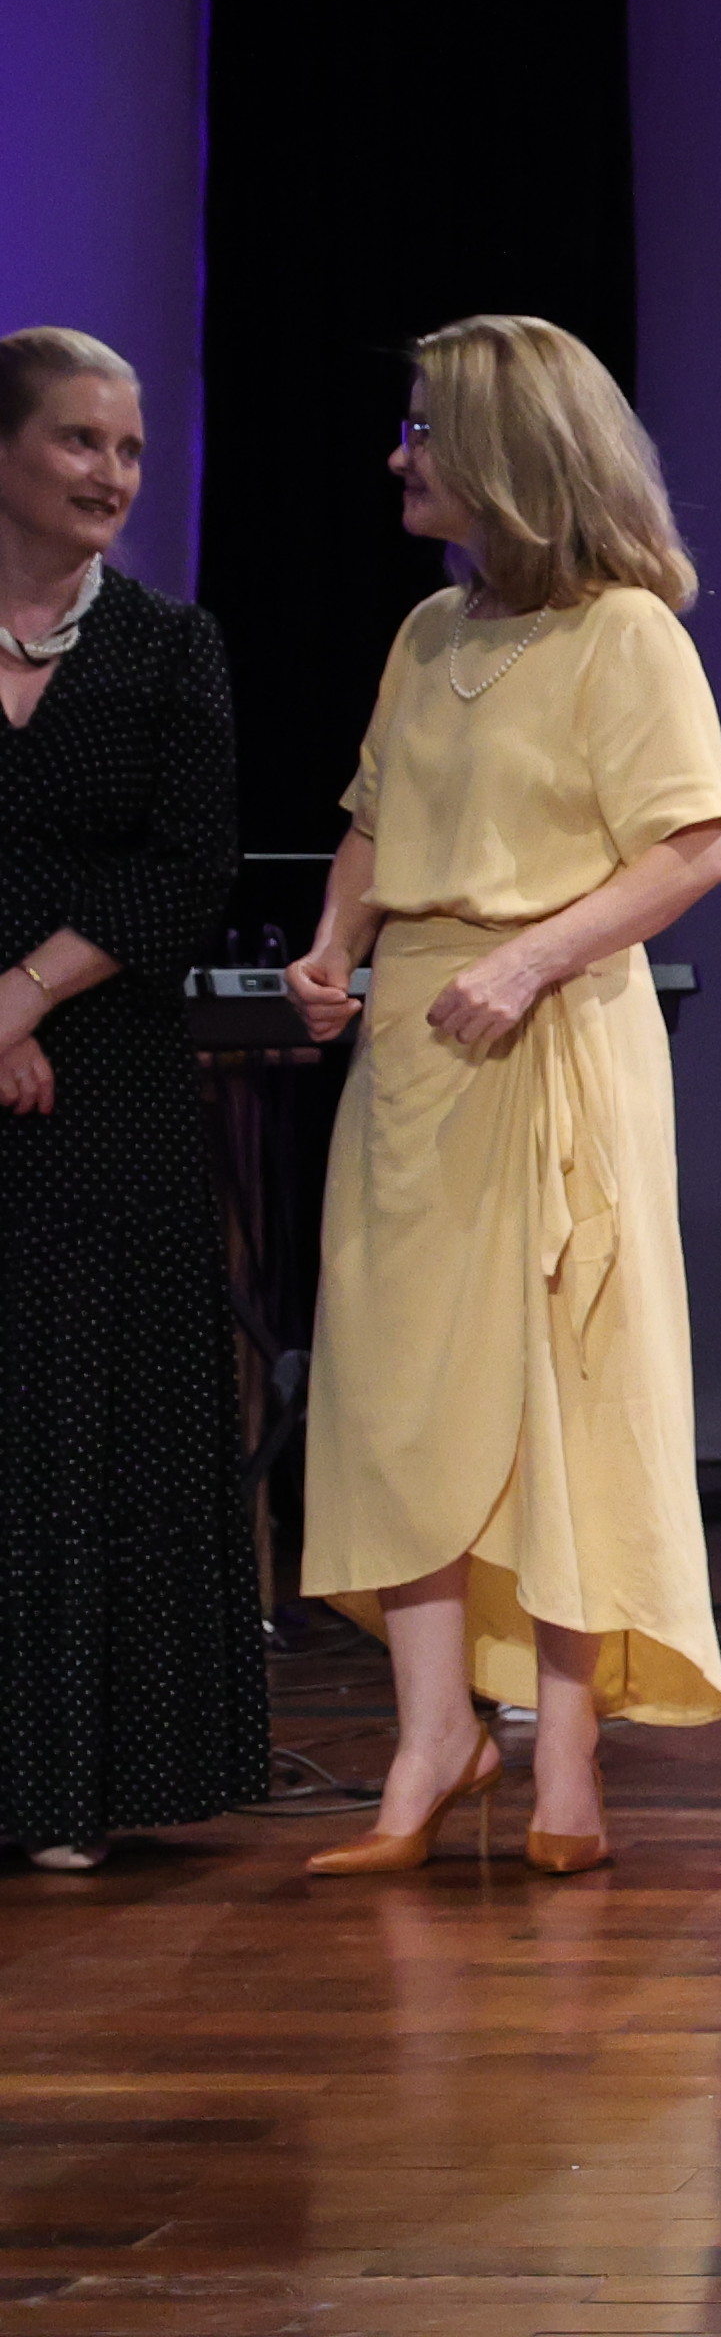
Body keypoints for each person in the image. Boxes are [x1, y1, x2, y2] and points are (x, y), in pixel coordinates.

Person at [287, 316, 721, 1881]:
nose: (399, 456)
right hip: (419, 1044)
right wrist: (336, 943)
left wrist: (533, 959)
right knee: (397, 1390)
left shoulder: (626, 634)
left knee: (566, 1382)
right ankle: (432, 1741)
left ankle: (565, 1750)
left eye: (424, 429)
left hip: (552, 1026)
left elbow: (696, 845)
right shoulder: (428, 634)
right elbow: (373, 816)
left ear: (506, 451)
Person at [0, 327, 270, 1873]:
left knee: (90, 1414)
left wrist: (25, 996)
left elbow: (186, 865)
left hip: (107, 1077)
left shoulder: (170, 648)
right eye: (78, 441)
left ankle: (74, 1784)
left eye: (131, 450)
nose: (112, 474)